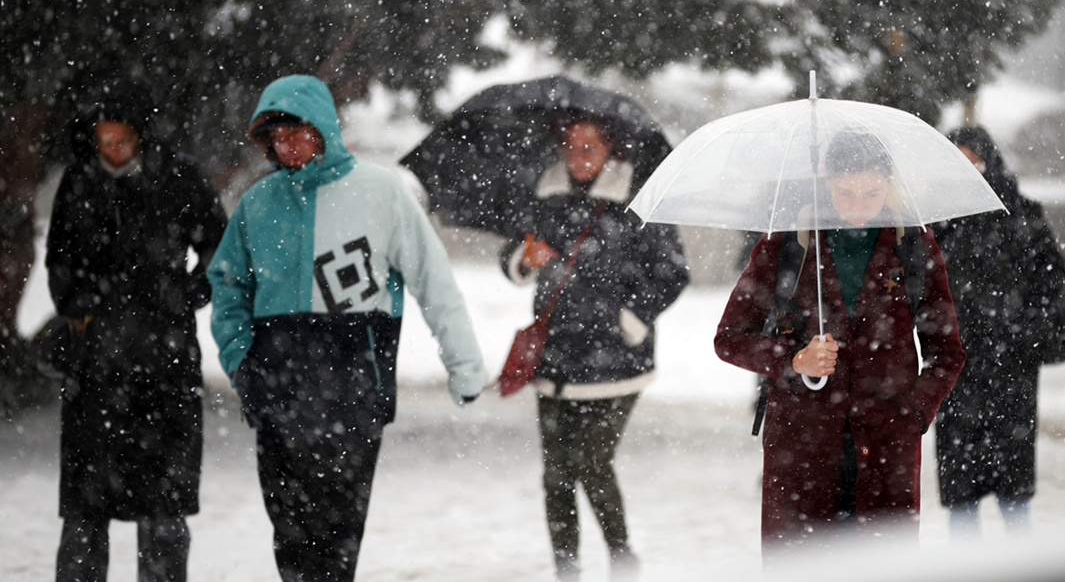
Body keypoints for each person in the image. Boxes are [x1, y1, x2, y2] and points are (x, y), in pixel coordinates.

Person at [208, 74, 488, 582]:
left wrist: (464, 366)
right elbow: (227, 287)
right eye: (276, 138)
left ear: (323, 130)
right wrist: (240, 360)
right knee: (290, 536)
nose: (286, 147)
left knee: (337, 539)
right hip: (276, 393)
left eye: (296, 133)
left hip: (353, 393)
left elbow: (434, 280)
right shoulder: (257, 204)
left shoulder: (381, 193)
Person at [714, 130, 966, 555]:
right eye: (846, 192)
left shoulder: (913, 244)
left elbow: (947, 351)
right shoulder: (787, 242)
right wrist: (793, 359)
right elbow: (729, 338)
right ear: (827, 181)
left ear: (889, 184)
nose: (858, 206)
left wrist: (914, 412)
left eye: (871, 192)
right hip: (802, 446)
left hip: (886, 446)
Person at [46, 78, 227, 582]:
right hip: (94, 369)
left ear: (142, 135)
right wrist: (80, 308)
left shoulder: (181, 179)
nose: (112, 149)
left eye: (122, 139)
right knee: (84, 513)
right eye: (104, 139)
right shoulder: (79, 183)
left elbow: (220, 252)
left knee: (164, 514)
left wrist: (184, 298)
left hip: (165, 368)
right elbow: (58, 260)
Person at [500, 117, 689, 581]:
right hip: (556, 357)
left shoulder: (638, 199)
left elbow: (673, 271)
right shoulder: (545, 197)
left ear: (611, 150)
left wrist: (631, 318)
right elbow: (513, 250)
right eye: (571, 146)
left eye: (591, 146)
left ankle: (622, 559)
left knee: (592, 463)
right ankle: (566, 568)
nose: (580, 156)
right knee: (555, 475)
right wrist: (524, 258)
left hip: (617, 360)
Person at [932, 126, 1065, 537]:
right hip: (957, 374)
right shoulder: (938, 224)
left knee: (1014, 498)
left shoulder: (1024, 217)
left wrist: (1018, 332)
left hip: (1011, 373)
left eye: (972, 159)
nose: (967, 170)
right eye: (955, 161)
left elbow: (1054, 291)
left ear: (989, 160)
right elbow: (918, 291)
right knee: (960, 498)